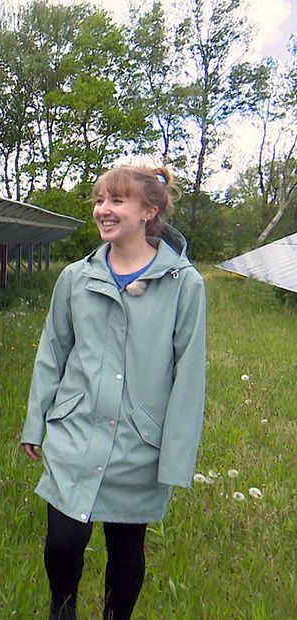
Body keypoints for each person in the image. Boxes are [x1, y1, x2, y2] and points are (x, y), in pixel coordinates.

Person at [19, 165, 207, 620]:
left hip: (137, 443)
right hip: (74, 432)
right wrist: (36, 421)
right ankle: (62, 609)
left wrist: (176, 458)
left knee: (126, 548)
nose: (103, 210)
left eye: (116, 201)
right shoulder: (75, 279)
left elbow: (190, 377)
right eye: (100, 200)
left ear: (149, 210)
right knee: (63, 542)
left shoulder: (184, 285)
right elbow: (53, 352)